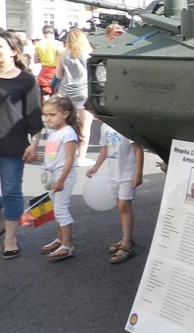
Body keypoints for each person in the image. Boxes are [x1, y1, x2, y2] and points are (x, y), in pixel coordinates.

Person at [0, 30, 44, 259]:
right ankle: (4, 219)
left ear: (13, 51)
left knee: (11, 191)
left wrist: (34, 143)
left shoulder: (26, 80)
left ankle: (10, 238)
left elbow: (34, 116)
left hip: (12, 145)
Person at [86, 124, 144, 263]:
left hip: (127, 175)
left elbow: (138, 150)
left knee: (124, 206)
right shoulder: (105, 126)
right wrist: (96, 166)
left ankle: (127, 245)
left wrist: (138, 174)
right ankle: (126, 237)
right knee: (120, 207)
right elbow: (106, 147)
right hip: (113, 174)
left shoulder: (127, 124)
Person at [37, 94, 80, 260]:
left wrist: (61, 180)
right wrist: (35, 157)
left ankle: (67, 246)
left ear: (65, 114)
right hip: (53, 176)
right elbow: (52, 156)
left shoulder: (68, 133)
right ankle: (61, 239)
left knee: (61, 209)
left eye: (52, 114)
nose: (48, 118)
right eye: (46, 115)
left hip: (64, 177)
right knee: (56, 209)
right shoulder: (55, 133)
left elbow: (70, 159)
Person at [56, 28, 94, 166]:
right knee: (85, 125)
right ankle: (81, 157)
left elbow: (59, 75)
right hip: (84, 91)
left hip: (65, 92)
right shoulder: (89, 53)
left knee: (67, 124)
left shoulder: (63, 54)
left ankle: (65, 153)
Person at [34, 24, 63, 105]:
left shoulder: (38, 44)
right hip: (56, 69)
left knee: (45, 93)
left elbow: (36, 60)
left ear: (43, 33)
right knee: (58, 92)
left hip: (44, 71)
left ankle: (46, 111)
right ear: (53, 33)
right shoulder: (58, 43)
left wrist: (44, 59)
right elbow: (61, 56)